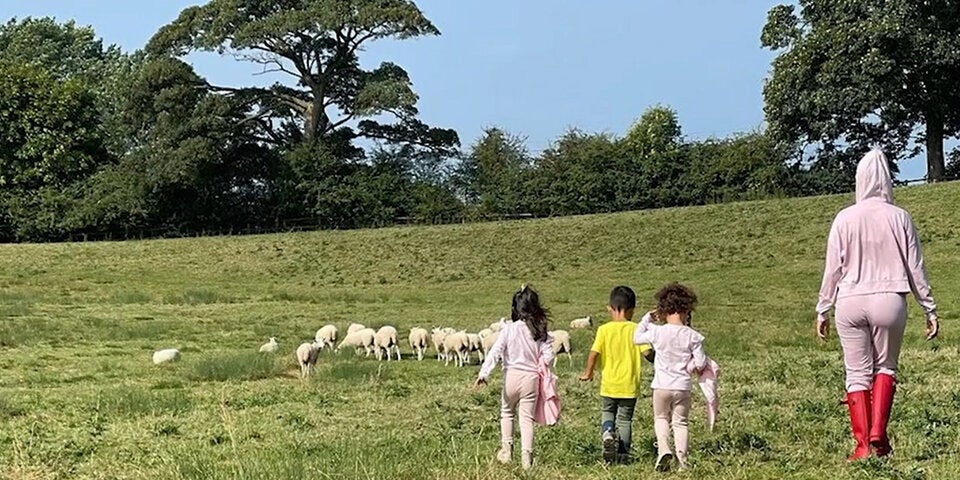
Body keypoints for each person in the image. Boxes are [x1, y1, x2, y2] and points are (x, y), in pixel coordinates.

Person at [816, 149, 939, 461]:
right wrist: (929, 307)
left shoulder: (844, 218)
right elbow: (915, 267)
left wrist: (823, 308)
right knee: (885, 367)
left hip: (850, 300)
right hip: (889, 298)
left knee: (856, 373)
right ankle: (878, 435)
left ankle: (861, 446)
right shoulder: (900, 217)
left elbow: (832, 269)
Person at [475, 285, 555, 470]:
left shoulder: (508, 329)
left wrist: (484, 373)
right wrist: (542, 363)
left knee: (507, 412)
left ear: (515, 308)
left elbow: (495, 352)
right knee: (526, 419)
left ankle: (507, 452)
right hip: (531, 379)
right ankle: (527, 460)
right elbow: (549, 356)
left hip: (511, 376)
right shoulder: (539, 331)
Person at [633, 283, 706, 471]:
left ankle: (664, 450)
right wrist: (691, 366)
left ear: (663, 310)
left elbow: (637, 337)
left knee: (661, 418)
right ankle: (683, 462)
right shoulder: (693, 336)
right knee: (680, 423)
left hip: (661, 385)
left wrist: (647, 318)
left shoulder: (658, 331)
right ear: (687, 309)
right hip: (683, 386)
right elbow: (700, 363)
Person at [579, 286, 654, 464]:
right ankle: (623, 455)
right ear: (632, 310)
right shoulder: (636, 329)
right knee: (625, 420)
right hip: (629, 385)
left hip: (609, 384)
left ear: (609, 308)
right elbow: (648, 354)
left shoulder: (604, 329)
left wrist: (589, 372)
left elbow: (594, 353)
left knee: (607, 412)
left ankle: (607, 433)